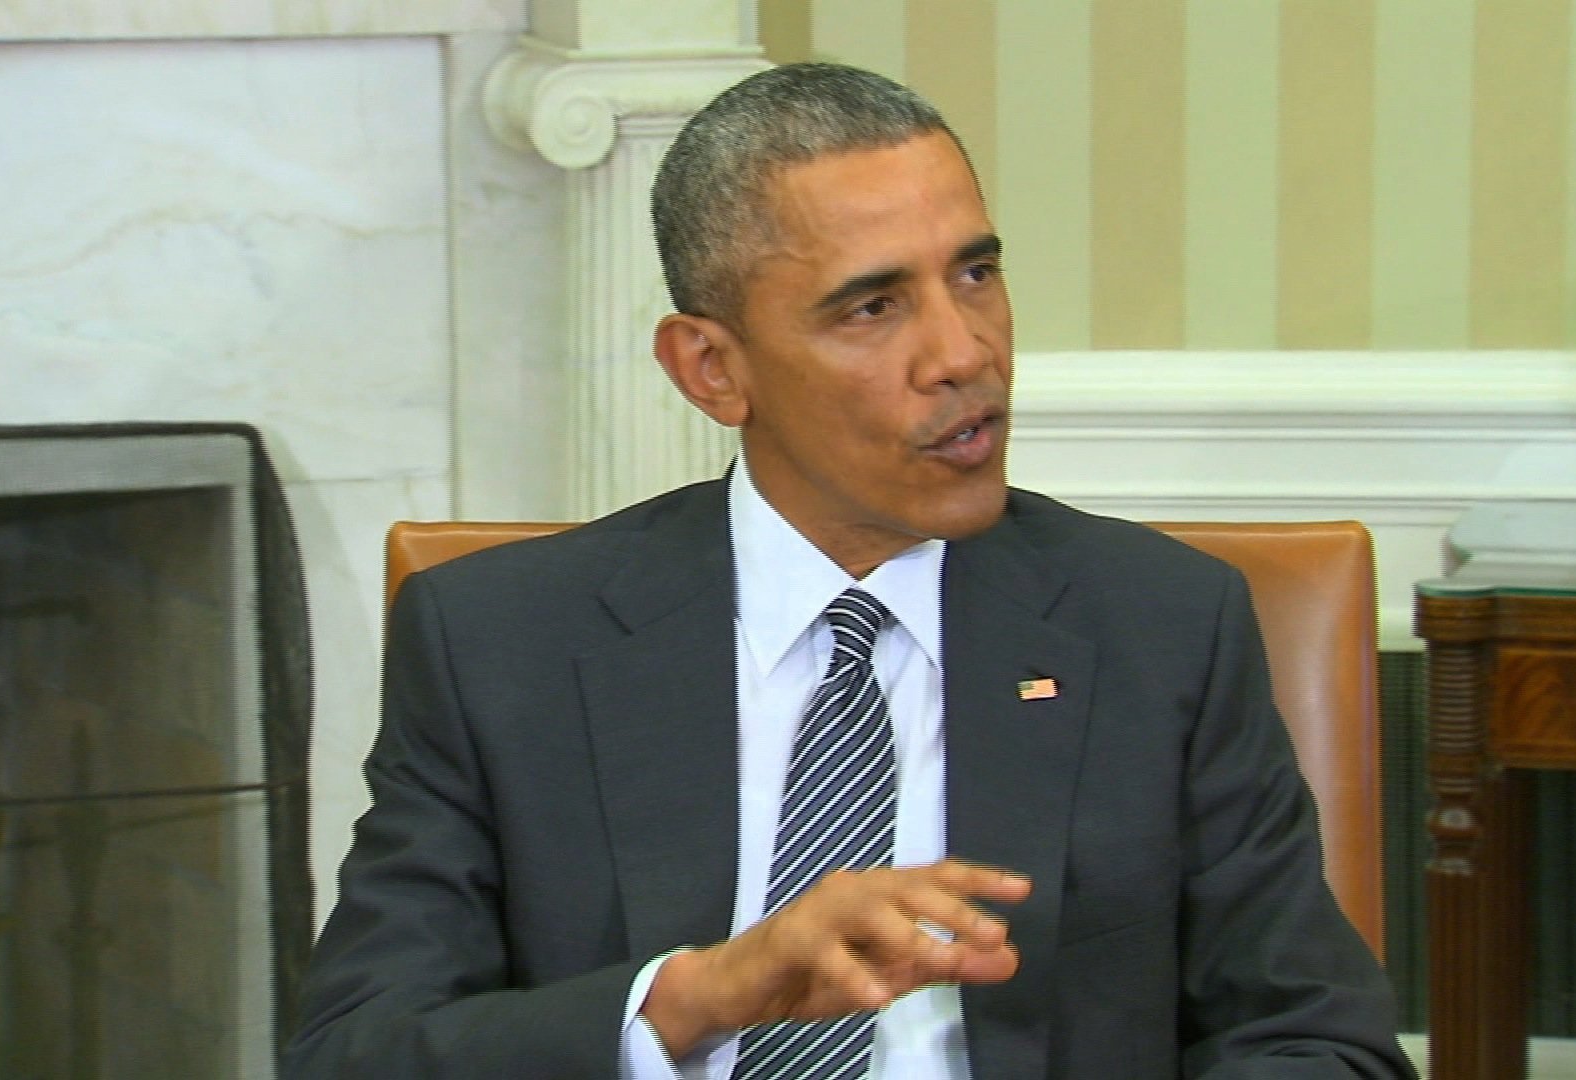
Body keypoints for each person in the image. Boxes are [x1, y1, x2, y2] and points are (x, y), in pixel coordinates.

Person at [285, 62, 1415, 1079]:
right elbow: (356, 1055)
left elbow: (1317, 1043)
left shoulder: (1157, 626)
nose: (964, 353)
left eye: (975, 276)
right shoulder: (503, 645)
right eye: (874, 307)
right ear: (712, 369)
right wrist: (691, 1000)